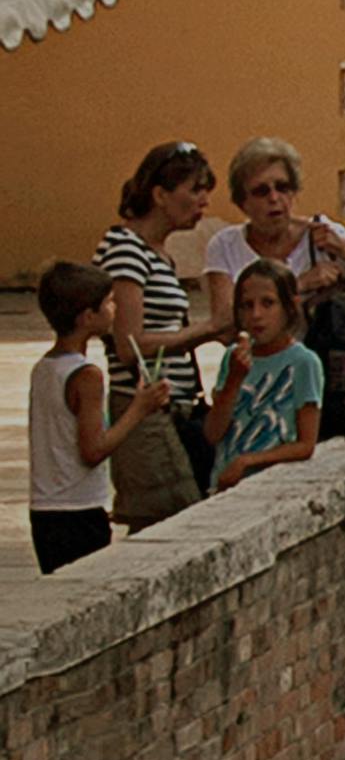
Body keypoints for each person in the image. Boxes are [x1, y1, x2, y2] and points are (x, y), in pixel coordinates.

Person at [99, 140, 219, 525]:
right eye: (194, 190)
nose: (203, 201)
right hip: (146, 409)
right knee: (167, 516)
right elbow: (129, 344)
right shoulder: (126, 250)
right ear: (160, 195)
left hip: (174, 406)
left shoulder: (157, 254)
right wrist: (207, 330)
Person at [32, 261, 166, 572]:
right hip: (78, 509)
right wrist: (139, 409)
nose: (114, 307)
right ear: (87, 317)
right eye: (108, 302)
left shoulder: (44, 368)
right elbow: (92, 450)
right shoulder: (86, 375)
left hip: (44, 508)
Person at [199, 136, 345, 308]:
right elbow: (224, 324)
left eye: (282, 187)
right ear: (242, 202)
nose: (274, 198)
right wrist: (299, 284)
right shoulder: (226, 245)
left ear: (294, 193)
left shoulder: (324, 236)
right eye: (261, 191)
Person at [205, 264, 322, 494]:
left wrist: (247, 461)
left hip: (272, 488)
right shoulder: (234, 357)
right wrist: (233, 381)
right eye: (247, 306)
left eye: (268, 303)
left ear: (290, 307)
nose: (256, 315)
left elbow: (305, 445)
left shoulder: (303, 362)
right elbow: (213, 433)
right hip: (226, 486)